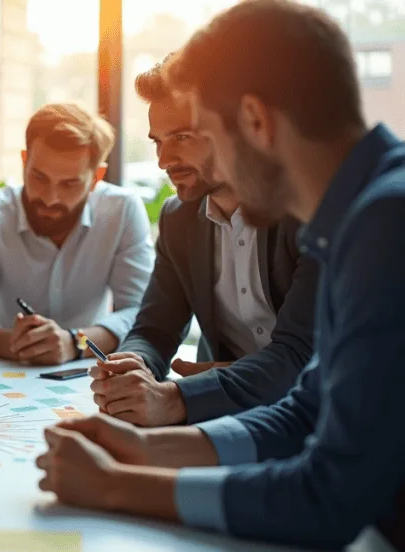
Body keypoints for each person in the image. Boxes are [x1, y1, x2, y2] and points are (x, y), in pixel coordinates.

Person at [37, 0, 405, 552]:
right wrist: (144, 451)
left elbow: (331, 496)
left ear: (255, 122)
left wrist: (119, 486)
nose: (202, 166)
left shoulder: (386, 223)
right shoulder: (359, 210)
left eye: (203, 133)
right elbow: (307, 410)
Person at [90, 55, 318, 427]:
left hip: (312, 419)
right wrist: (134, 365)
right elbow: (155, 329)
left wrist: (178, 397)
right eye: (157, 142)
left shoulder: (305, 213)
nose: (164, 160)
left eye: (181, 137)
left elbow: (299, 354)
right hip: (224, 418)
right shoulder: (179, 218)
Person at [0, 102, 154, 365]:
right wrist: (21, 345)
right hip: (7, 370)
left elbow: (140, 312)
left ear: (96, 178)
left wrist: (74, 342)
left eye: (69, 184)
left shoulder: (122, 211)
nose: (50, 198)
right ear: (24, 162)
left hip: (87, 372)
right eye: (39, 177)